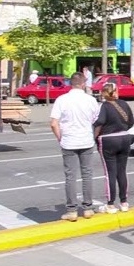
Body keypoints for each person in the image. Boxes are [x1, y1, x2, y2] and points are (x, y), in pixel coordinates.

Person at [50, 72, 101, 221]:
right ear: (83, 84)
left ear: (70, 84)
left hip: (69, 141)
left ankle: (72, 210)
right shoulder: (91, 100)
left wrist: (60, 137)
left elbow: (53, 123)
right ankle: (88, 208)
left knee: (70, 176)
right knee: (87, 174)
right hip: (86, 141)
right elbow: (96, 120)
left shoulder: (62, 100)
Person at [94, 81, 134, 213]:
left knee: (110, 173)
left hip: (108, 140)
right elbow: (131, 122)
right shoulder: (124, 104)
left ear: (104, 93)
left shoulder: (104, 106)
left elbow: (99, 123)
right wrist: (121, 129)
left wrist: (95, 137)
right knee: (122, 171)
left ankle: (110, 204)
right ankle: (124, 202)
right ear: (116, 91)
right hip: (124, 138)